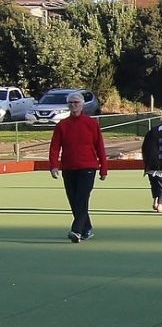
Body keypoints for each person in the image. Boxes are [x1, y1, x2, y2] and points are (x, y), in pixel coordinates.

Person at [48, 91, 108, 242]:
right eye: (71, 103)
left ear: (82, 105)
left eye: (76, 102)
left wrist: (103, 168)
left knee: (82, 198)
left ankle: (76, 230)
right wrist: (54, 166)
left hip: (88, 167)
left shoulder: (92, 123)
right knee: (74, 200)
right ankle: (87, 228)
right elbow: (54, 147)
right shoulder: (62, 125)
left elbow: (99, 147)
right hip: (68, 167)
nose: (73, 105)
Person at [141, 125, 162, 212]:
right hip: (161, 162)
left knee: (154, 184)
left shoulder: (150, 132)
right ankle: (160, 204)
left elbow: (143, 147)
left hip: (149, 163)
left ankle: (155, 201)